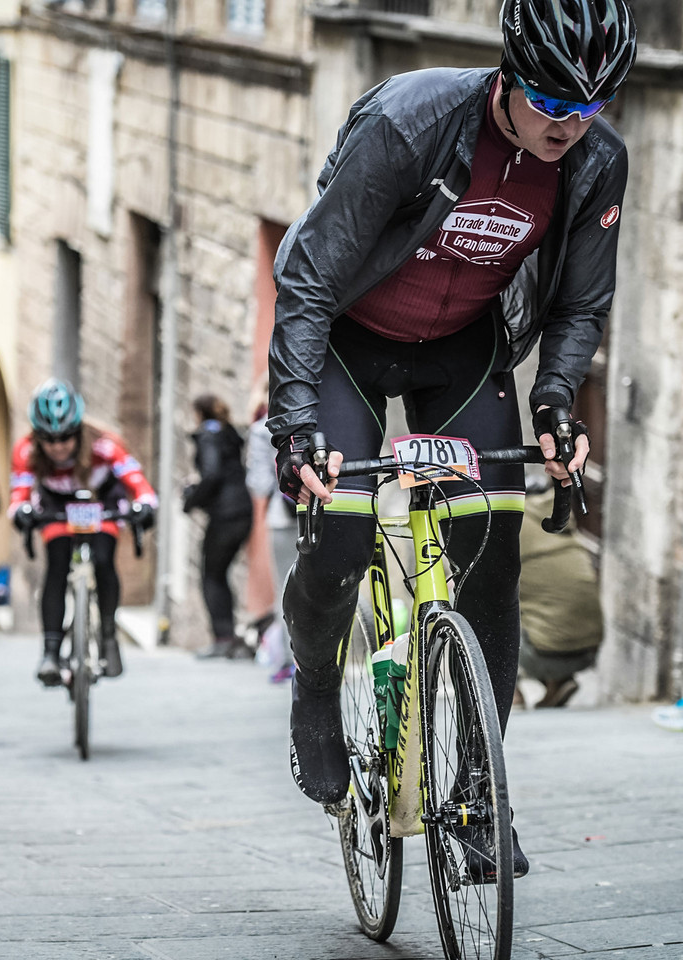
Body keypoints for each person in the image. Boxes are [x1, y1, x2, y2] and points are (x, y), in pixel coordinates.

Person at [266, 0, 637, 881]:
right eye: (552, 103)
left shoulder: (596, 162)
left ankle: (476, 794)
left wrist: (554, 402)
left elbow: (582, 303)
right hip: (350, 342)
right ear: (510, 76)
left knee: (493, 550)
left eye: (588, 110)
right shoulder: (411, 123)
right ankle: (316, 686)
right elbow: (310, 276)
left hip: (464, 351)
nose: (567, 126)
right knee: (346, 530)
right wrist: (295, 424)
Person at [10, 378, 157, 685]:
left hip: (100, 500)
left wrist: (144, 503)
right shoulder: (25, 451)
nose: (57, 447)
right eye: (48, 440)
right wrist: (21, 511)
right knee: (57, 563)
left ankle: (107, 636)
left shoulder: (105, 445)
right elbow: (19, 494)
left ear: (77, 430)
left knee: (103, 559)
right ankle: (50, 653)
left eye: (65, 437)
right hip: (57, 506)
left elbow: (136, 480)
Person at [516, 479, 602, 708]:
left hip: (546, 652)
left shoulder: (516, 523)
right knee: (544, 609)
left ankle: (512, 694)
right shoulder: (560, 519)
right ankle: (558, 684)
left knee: (484, 602)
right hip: (589, 652)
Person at [182, 394, 254, 660]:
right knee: (221, 572)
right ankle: (228, 635)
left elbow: (211, 473)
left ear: (200, 413)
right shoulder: (229, 433)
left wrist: (192, 499)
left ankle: (222, 637)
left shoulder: (209, 436)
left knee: (211, 575)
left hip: (225, 515)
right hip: (242, 511)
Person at [245, 392, 298, 682]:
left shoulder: (260, 428)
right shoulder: (321, 418)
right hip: (325, 509)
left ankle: (292, 661)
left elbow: (258, 481)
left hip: (282, 517)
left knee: (287, 588)